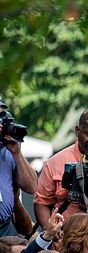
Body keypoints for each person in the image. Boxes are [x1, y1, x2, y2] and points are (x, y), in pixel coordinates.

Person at [0, 96, 38, 236]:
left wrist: (16, 152)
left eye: (2, 116)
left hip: (5, 229)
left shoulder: (7, 149)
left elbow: (31, 187)